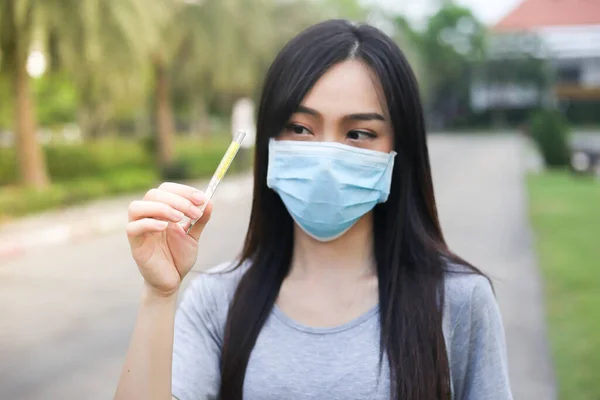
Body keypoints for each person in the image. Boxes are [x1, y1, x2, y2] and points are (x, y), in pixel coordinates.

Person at [114, 19, 513, 400]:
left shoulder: (459, 300)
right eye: (301, 129)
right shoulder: (218, 300)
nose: (325, 157)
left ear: (397, 151)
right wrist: (159, 293)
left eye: (359, 133)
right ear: (271, 140)